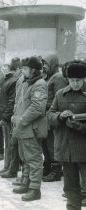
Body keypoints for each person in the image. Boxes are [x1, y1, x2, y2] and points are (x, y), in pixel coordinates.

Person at [48, 60, 86, 210]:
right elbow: (49, 115)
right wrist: (59, 116)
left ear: (84, 79)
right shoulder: (60, 94)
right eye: (72, 80)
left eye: (78, 80)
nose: (75, 83)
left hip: (83, 149)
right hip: (66, 149)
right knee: (70, 188)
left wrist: (78, 126)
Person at [11, 56, 47, 201]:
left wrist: (21, 120)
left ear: (33, 70)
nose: (22, 71)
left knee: (34, 159)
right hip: (22, 127)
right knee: (24, 157)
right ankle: (26, 182)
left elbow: (38, 107)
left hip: (31, 128)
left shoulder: (39, 84)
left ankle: (34, 189)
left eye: (25, 69)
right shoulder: (25, 82)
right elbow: (19, 102)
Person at [41, 54, 68, 182]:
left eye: (46, 64)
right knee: (46, 142)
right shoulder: (50, 77)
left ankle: (56, 170)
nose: (44, 67)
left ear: (52, 64)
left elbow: (60, 98)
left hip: (53, 115)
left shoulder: (58, 78)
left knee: (53, 144)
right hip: (46, 115)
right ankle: (47, 166)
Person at [0, 58, 22, 179]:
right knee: (9, 144)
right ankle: (8, 167)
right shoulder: (11, 80)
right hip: (8, 116)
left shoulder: (11, 81)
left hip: (9, 117)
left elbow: (11, 102)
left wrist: (5, 117)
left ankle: (11, 168)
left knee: (11, 144)